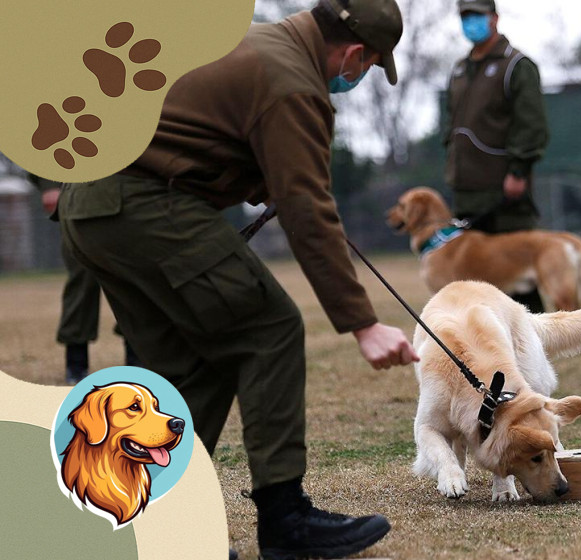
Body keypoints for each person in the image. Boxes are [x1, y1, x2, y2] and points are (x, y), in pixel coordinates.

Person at [58, 1, 418, 558]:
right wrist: (362, 323)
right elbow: (307, 208)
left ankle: (160, 530)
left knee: (192, 358)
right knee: (268, 327)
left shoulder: (257, 42)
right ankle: (286, 521)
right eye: (370, 65)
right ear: (353, 54)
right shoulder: (293, 82)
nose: (361, 75)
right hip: (141, 200)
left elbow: (203, 132)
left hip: (93, 204)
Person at [444, 0, 550, 312]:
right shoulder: (460, 69)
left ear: (495, 18)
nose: (470, 21)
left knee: (519, 280)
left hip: (504, 194)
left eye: (477, 14)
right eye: (465, 16)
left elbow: (532, 126)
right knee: (476, 282)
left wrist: (518, 171)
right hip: (467, 193)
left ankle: (539, 343)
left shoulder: (516, 66)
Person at [28, 173, 140, 384]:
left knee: (134, 281)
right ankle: (76, 363)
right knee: (82, 282)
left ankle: (138, 360)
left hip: (131, 196)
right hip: (80, 200)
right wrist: (49, 184)